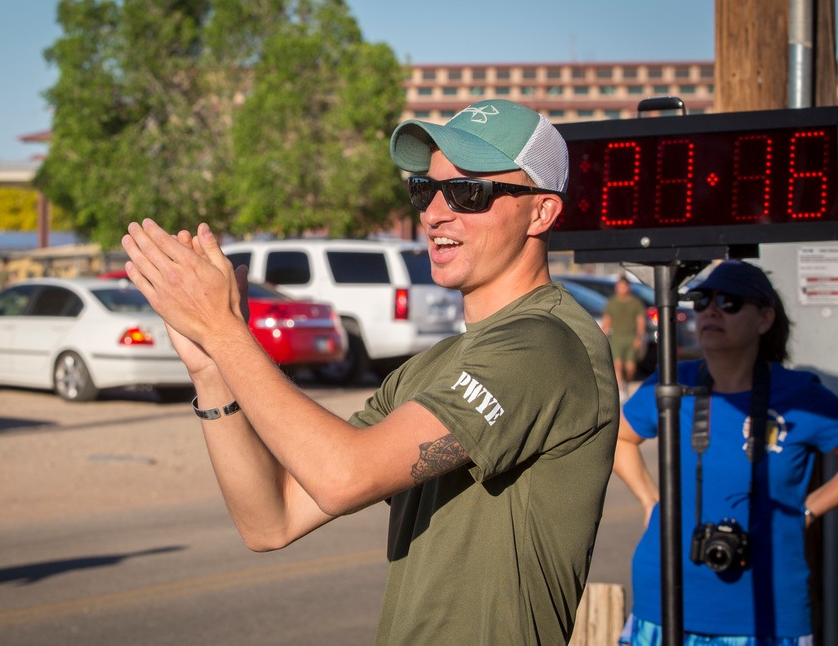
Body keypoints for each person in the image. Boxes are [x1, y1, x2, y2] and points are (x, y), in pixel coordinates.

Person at [122, 99, 620, 644]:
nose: (434, 213)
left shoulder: (545, 346)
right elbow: (271, 521)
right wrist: (211, 368)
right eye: (424, 190)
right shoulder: (432, 366)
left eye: (468, 193)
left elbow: (342, 478)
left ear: (543, 212)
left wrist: (226, 330)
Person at [614, 260, 838, 645]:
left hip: (769, 611)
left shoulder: (801, 395)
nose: (711, 311)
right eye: (702, 301)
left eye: (730, 302)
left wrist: (808, 509)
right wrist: (650, 501)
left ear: (764, 318)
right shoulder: (673, 382)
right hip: (665, 603)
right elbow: (619, 438)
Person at [601, 276, 647, 399]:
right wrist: (602, 336)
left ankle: (626, 383)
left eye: (623, 286)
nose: (621, 289)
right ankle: (620, 391)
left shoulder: (635, 303)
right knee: (618, 365)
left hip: (630, 337)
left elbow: (640, 321)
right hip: (617, 337)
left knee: (630, 367)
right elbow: (608, 320)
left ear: (628, 287)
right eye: (619, 286)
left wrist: (639, 337)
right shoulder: (612, 302)